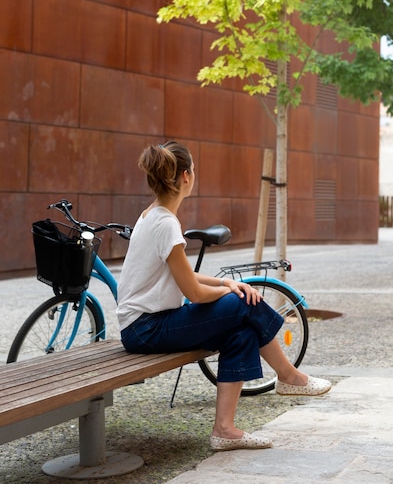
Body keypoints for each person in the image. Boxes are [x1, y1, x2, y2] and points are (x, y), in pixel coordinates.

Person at [117, 141, 331, 451]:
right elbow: (192, 292)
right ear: (187, 177)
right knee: (246, 303)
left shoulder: (154, 215)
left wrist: (227, 286)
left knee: (241, 331)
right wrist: (229, 293)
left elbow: (184, 276)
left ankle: (224, 430)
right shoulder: (165, 223)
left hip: (145, 326)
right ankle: (288, 376)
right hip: (147, 328)